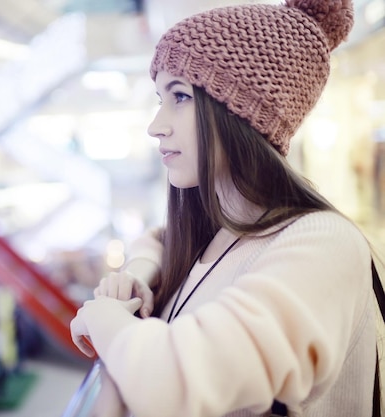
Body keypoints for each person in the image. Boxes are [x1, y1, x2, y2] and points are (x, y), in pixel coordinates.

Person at [70, 0, 380, 416]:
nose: (156, 125)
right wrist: (141, 272)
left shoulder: (324, 244)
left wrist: (104, 316)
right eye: (160, 98)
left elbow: (176, 382)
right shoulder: (224, 228)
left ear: (243, 112)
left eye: (179, 96)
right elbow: (159, 240)